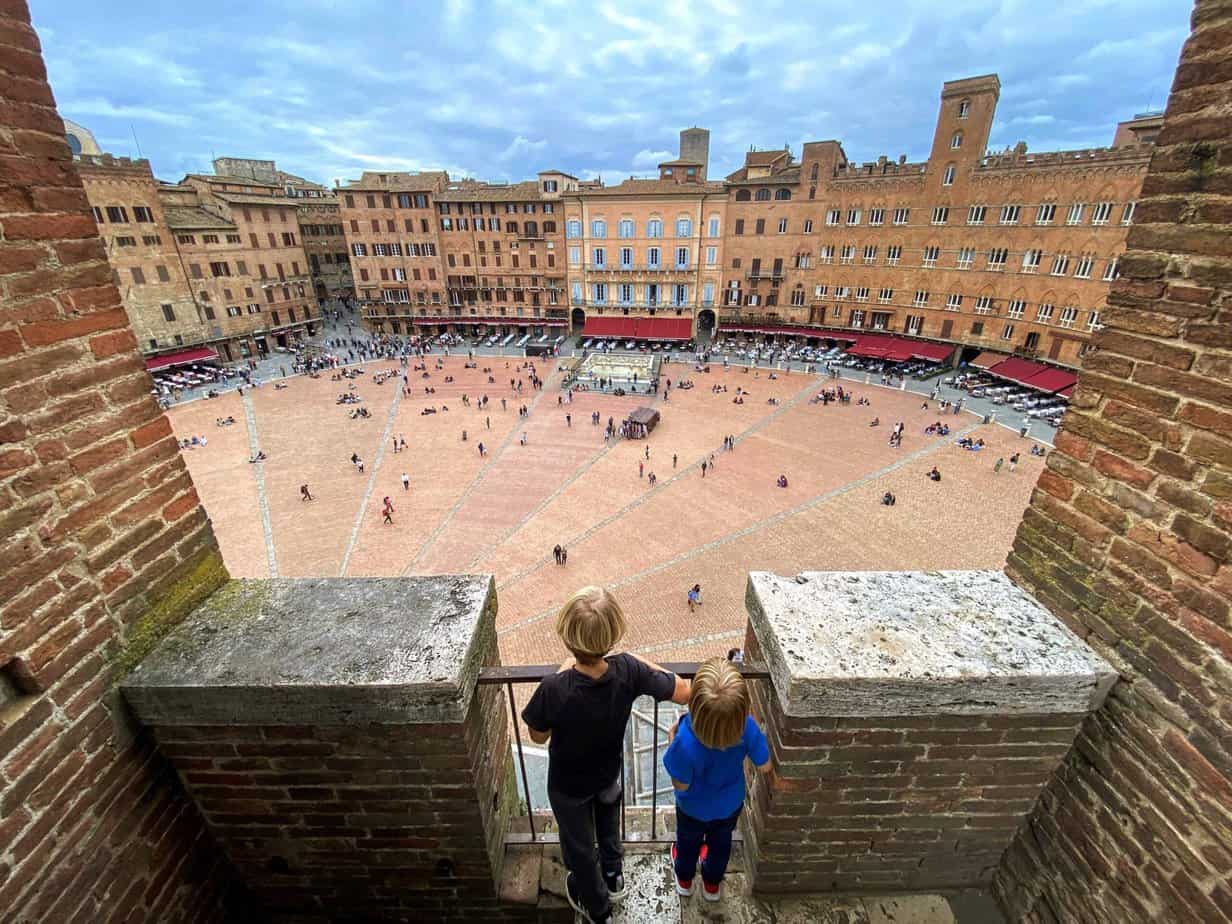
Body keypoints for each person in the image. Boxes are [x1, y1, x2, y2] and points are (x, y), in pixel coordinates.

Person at [522, 588, 690, 924]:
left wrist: (561, 673)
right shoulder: (627, 669)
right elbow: (684, 691)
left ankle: (598, 908)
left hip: (569, 785)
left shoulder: (555, 688)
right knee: (609, 828)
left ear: (568, 636)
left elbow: (537, 736)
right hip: (608, 773)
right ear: (614, 633)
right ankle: (614, 877)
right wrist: (635, 661)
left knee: (581, 848)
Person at [664, 657, 771, 902]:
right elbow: (764, 766)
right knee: (721, 844)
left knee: (687, 842)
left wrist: (672, 742)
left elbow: (681, 784)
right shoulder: (747, 728)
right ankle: (712, 885)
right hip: (729, 805)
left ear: (695, 705)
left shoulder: (684, 742)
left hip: (692, 809)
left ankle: (685, 881)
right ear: (742, 708)